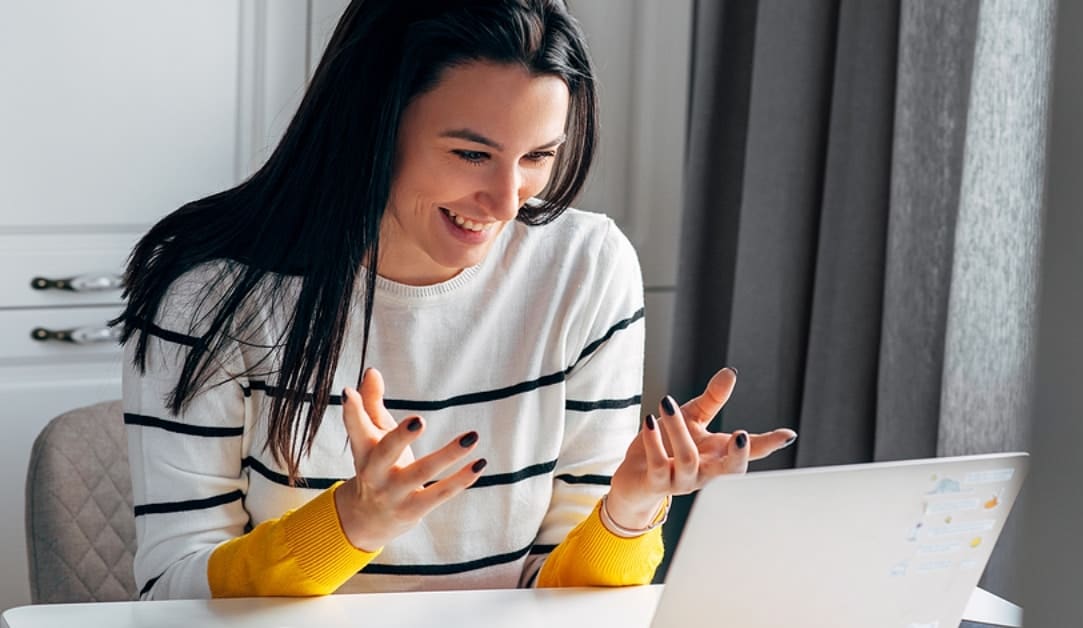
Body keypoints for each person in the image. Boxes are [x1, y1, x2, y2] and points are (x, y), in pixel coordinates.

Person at [116, 0, 797, 600]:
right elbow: (173, 593)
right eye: (472, 155)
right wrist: (351, 523)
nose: (507, 202)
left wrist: (631, 510)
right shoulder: (211, 294)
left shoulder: (586, 269)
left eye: (537, 157)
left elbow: (559, 595)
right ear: (375, 128)